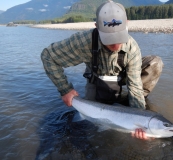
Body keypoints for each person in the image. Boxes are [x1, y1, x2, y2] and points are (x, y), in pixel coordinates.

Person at [41, 0, 163, 140]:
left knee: (141, 89)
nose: (116, 45)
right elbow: (48, 56)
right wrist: (65, 90)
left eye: (119, 37)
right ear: (97, 27)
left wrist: (140, 118)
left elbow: (134, 86)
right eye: (110, 39)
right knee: (91, 124)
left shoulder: (132, 48)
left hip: (121, 77)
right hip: (96, 80)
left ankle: (127, 103)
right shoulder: (83, 41)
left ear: (127, 23)